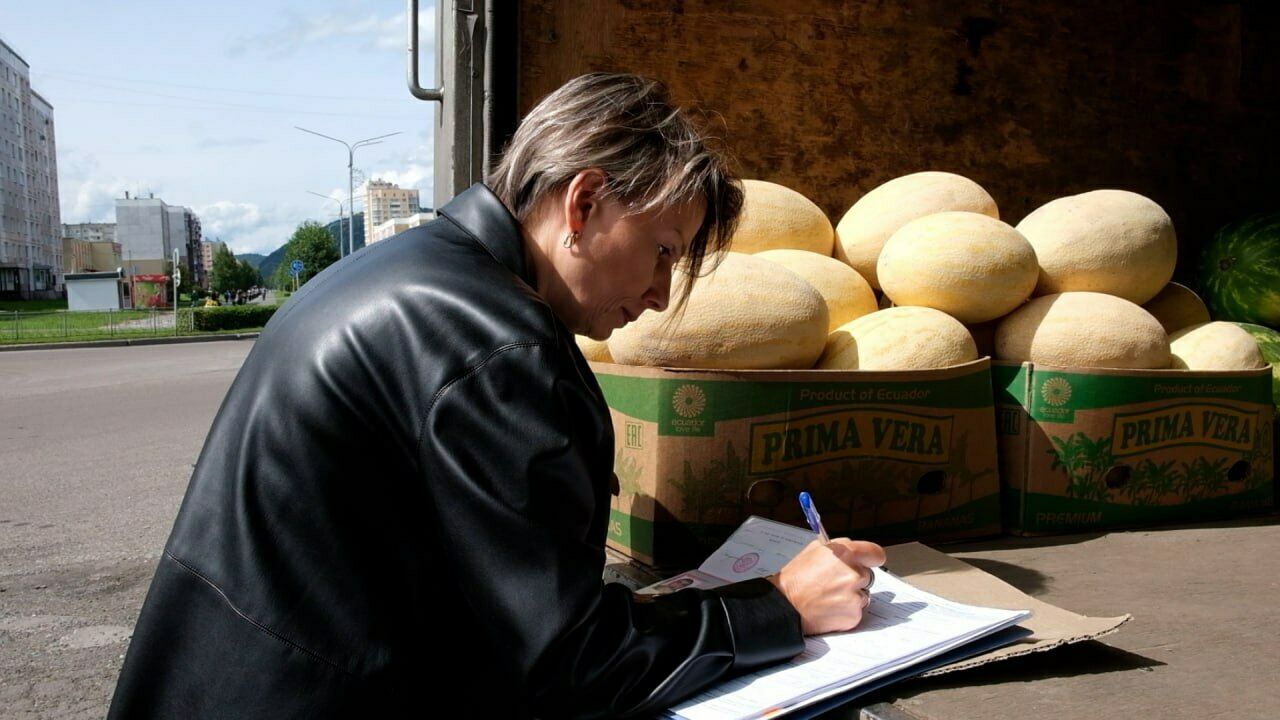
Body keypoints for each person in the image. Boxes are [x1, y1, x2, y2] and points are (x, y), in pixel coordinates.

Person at [107, 72, 884, 719]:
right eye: (662, 252)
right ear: (584, 203)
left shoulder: (415, 270)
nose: (659, 294)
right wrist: (779, 607)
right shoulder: (496, 346)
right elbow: (569, 668)